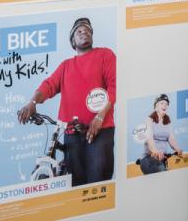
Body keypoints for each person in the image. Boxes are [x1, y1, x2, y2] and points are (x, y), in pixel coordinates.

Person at [17, 17, 117, 186]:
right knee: (76, 185)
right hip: (71, 134)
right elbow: (48, 85)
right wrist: (32, 102)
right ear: (73, 41)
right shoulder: (66, 66)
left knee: (98, 183)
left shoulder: (105, 54)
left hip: (100, 131)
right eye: (79, 31)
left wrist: (100, 117)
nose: (84, 32)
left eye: (87, 30)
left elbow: (114, 87)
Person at [143, 94, 184, 172]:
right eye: (162, 103)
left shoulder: (167, 121)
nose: (164, 105)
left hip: (162, 158)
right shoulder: (149, 120)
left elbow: (171, 138)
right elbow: (149, 138)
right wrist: (155, 151)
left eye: (166, 104)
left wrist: (177, 149)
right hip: (149, 158)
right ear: (156, 106)